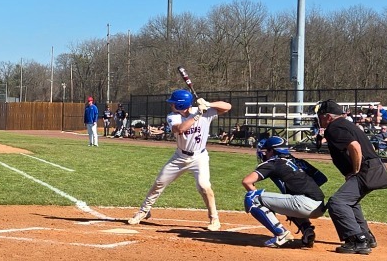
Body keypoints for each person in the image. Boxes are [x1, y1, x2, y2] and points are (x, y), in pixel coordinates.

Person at [127, 87, 234, 230]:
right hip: (180, 156)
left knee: (204, 186)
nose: (171, 105)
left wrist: (209, 104)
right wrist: (197, 115)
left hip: (199, 157)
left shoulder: (203, 110)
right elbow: (180, 129)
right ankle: (143, 212)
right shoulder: (173, 116)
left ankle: (214, 219)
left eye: (174, 103)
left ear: (181, 104)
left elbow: (228, 107)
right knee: (159, 182)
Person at [316, 97, 387, 255]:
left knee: (337, 203)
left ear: (328, 117)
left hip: (366, 170)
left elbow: (355, 147)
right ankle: (367, 237)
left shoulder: (334, 127)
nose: (319, 119)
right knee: (351, 202)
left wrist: (355, 171)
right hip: (374, 168)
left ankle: (357, 240)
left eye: (321, 116)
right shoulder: (344, 124)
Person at [241, 134, 327, 248]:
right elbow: (322, 178)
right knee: (290, 198)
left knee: (252, 197)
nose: (264, 153)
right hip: (320, 206)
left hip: (305, 204)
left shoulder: (273, 163)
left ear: (273, 151)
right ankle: (307, 232)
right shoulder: (298, 161)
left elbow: (247, 181)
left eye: (267, 151)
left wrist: (260, 200)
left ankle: (281, 234)